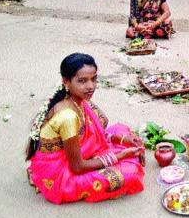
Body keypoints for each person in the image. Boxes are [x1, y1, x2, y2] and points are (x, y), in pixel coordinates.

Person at [26, 53, 145, 204]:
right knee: (130, 173)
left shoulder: (77, 99)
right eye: (82, 81)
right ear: (66, 81)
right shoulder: (67, 116)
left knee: (121, 130)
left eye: (94, 79)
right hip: (61, 173)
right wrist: (120, 156)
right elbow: (78, 167)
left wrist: (121, 139)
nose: (91, 86)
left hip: (75, 151)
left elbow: (95, 133)